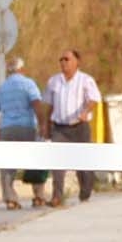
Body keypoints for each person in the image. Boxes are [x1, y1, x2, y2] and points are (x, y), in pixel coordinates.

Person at [41, 48, 102, 207]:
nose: (63, 63)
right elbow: (49, 106)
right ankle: (57, 196)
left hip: (79, 127)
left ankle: (85, 191)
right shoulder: (54, 81)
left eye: (67, 59)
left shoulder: (85, 80)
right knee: (57, 163)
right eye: (61, 59)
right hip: (60, 128)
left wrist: (85, 111)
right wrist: (45, 126)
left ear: (77, 62)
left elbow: (94, 99)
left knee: (82, 162)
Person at [0, 57, 46, 209]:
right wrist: (43, 125)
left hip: (7, 129)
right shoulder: (28, 84)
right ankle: (39, 196)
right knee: (35, 161)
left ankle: (10, 199)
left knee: (7, 164)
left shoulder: (2, 88)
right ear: (22, 69)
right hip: (26, 127)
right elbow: (37, 105)